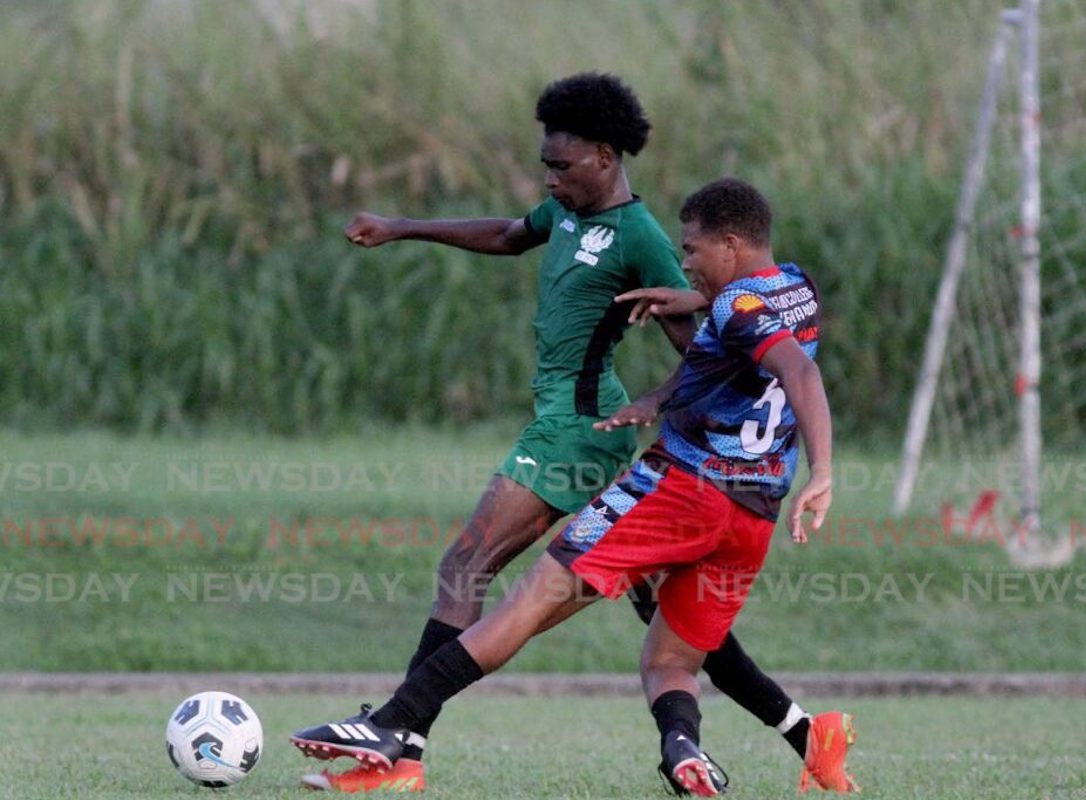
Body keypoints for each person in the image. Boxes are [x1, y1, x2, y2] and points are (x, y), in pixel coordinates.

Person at [293, 178, 859, 795]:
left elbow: (792, 367)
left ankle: (395, 725)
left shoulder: (725, 301)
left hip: (682, 488)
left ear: (729, 244)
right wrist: (680, 339)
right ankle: (713, 747)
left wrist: (824, 471)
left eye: (692, 251)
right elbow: (749, 342)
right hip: (752, 516)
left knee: (529, 595)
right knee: (669, 656)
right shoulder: (796, 288)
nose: (686, 262)